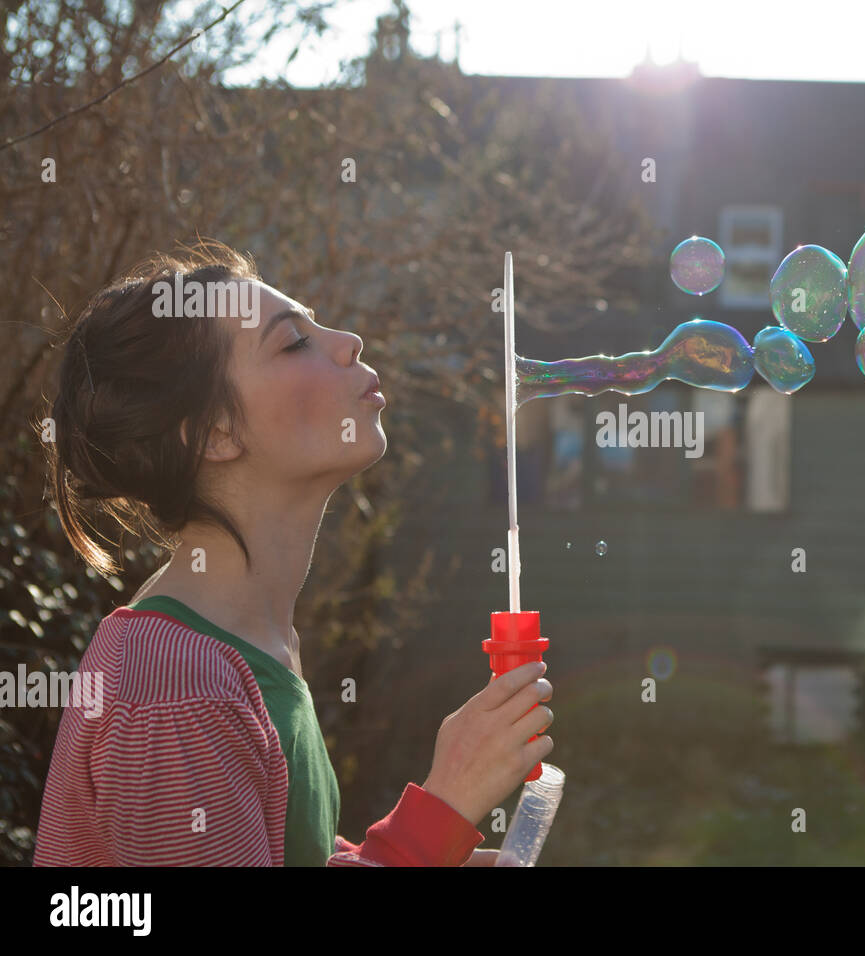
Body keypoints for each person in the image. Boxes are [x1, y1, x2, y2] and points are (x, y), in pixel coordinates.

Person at [33, 238, 553, 866]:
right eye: (293, 341)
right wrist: (443, 808)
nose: (349, 340)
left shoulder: (242, 644)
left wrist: (439, 857)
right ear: (215, 433)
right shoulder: (177, 690)